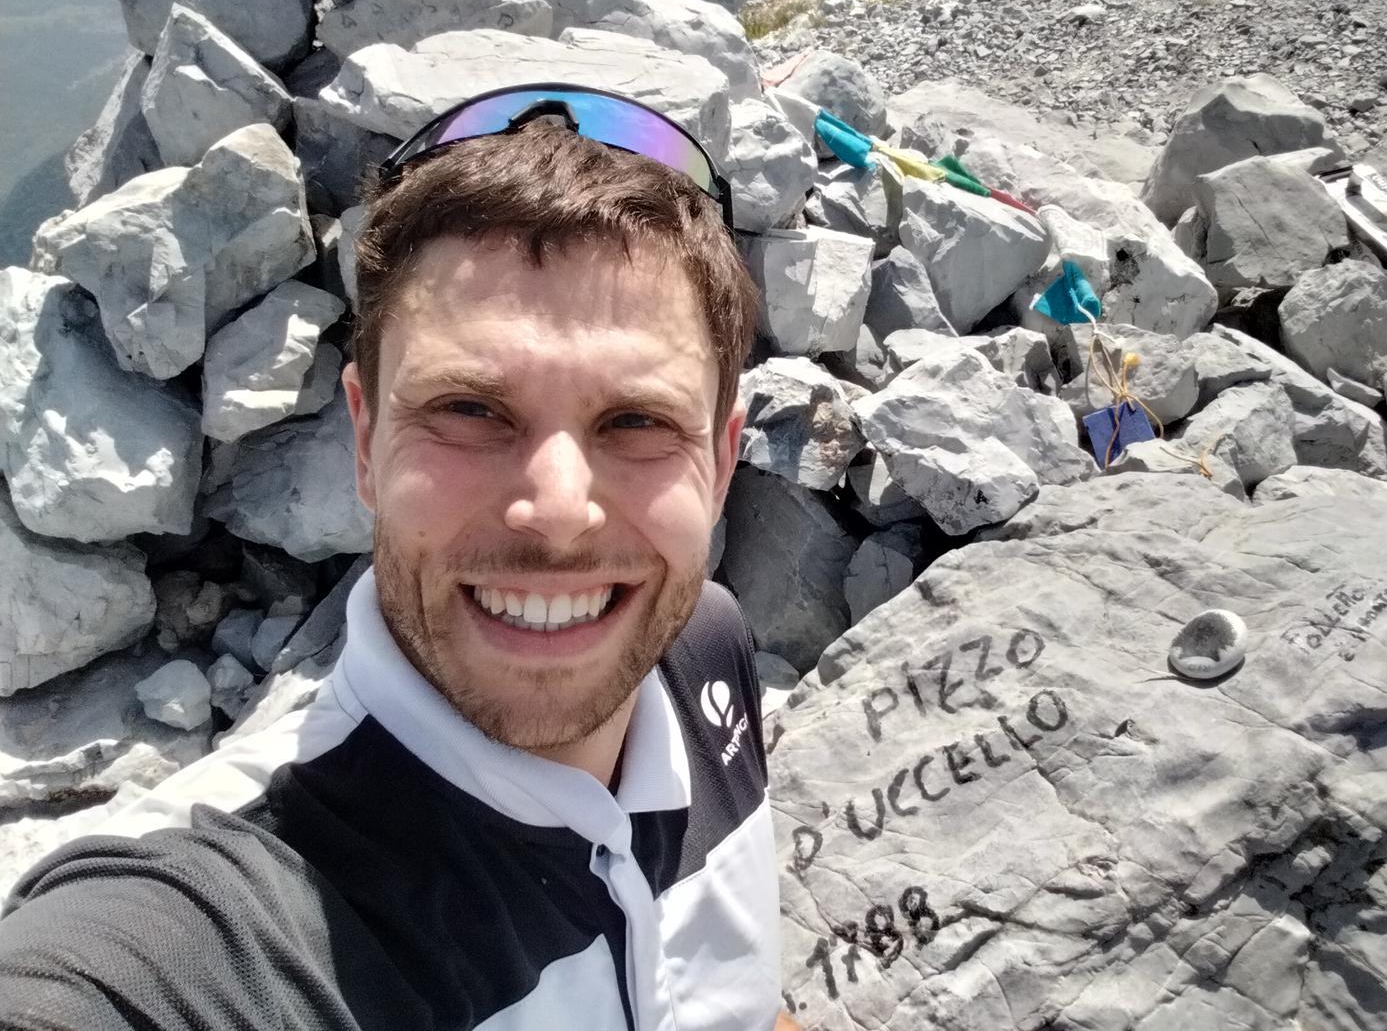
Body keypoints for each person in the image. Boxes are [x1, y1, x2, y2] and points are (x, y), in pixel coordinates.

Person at [0, 84, 800, 1030]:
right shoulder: (216, 928)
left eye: (637, 421)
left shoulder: (705, 648)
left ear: (719, 459)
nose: (555, 513)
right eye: (470, 409)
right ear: (365, 437)